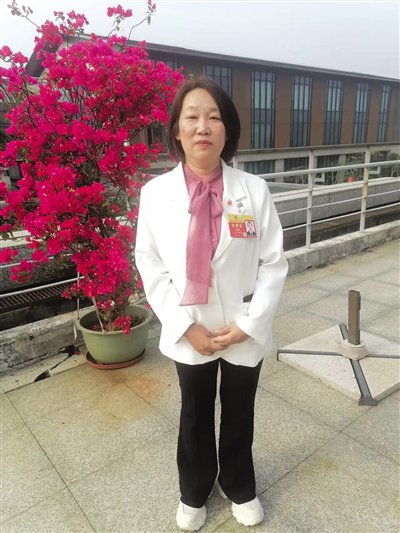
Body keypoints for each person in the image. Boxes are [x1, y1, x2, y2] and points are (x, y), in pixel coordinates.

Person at [135, 77, 288, 531]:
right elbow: (149, 263)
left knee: (240, 411)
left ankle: (238, 484)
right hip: (190, 326)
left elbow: (274, 262)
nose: (203, 127)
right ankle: (194, 489)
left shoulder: (253, 190)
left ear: (227, 130)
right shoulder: (155, 193)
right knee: (194, 413)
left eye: (214, 117)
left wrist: (250, 323)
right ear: (177, 131)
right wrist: (184, 326)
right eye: (192, 117)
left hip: (243, 326)